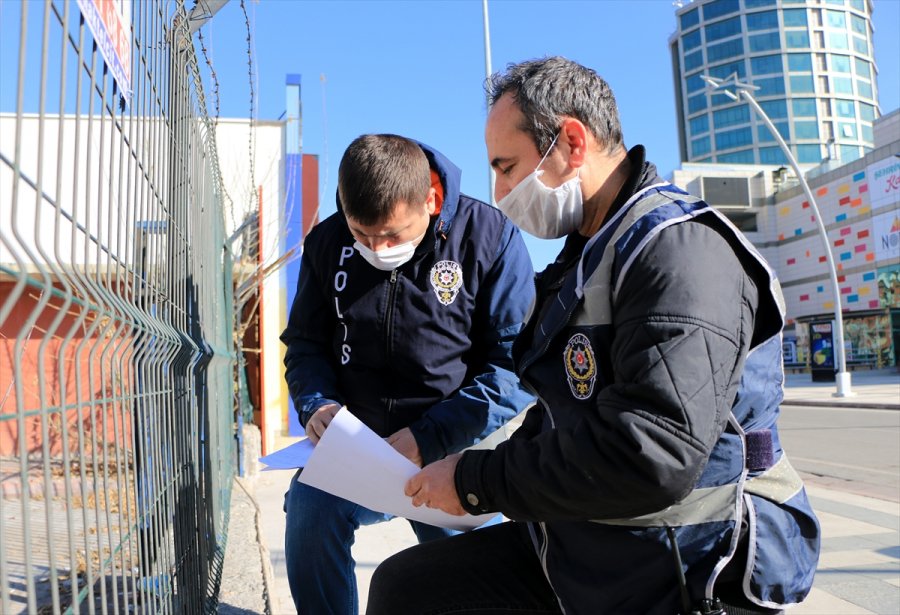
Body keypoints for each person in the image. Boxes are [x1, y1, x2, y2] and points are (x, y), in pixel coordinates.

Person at [367, 57, 821, 615]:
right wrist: (475, 471)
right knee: (407, 588)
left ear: (572, 143)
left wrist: (477, 480)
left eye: (507, 167)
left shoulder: (680, 254)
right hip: (583, 542)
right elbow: (564, 408)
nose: (500, 190)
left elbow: (652, 453)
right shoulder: (590, 255)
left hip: (680, 566)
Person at [280, 133, 535, 615]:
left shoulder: (490, 237)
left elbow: (514, 367)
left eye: (393, 235)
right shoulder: (327, 242)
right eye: (363, 234)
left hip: (455, 443)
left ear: (432, 200)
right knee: (310, 507)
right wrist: (318, 403)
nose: (377, 248)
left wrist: (430, 436)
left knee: (460, 580)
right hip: (362, 447)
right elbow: (306, 344)